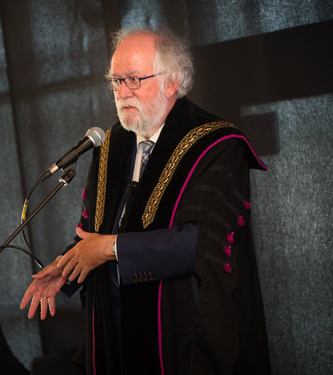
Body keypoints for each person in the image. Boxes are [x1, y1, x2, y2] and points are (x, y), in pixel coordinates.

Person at [21, 27, 270, 374]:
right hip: (118, 334)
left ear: (172, 82)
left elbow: (199, 245)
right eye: (115, 81)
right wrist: (66, 268)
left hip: (180, 334)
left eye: (134, 79)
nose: (122, 92)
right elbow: (96, 234)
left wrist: (109, 249)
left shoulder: (216, 146)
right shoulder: (112, 146)